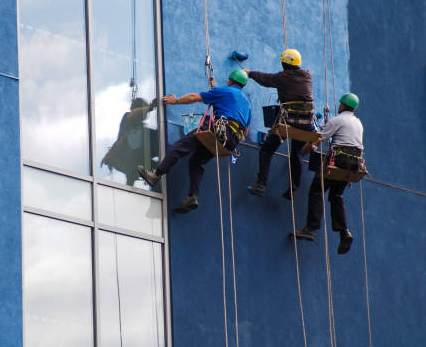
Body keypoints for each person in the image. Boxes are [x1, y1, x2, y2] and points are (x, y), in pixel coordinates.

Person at [137, 70, 252, 212]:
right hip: (230, 141)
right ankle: (192, 196)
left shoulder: (223, 92)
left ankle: (155, 175)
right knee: (196, 162)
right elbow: (246, 131)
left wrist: (176, 100)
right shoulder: (247, 104)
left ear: (230, 81)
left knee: (179, 146)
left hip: (220, 130)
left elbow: (194, 97)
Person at [293, 93, 364, 254]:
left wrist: (302, 153)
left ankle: (311, 228)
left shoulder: (338, 120)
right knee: (336, 195)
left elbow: (319, 138)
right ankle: (344, 232)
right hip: (353, 163)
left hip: (340, 158)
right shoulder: (358, 123)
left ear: (342, 105)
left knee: (317, 189)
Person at [244, 48, 315, 199]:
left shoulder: (283, 77)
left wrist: (249, 73)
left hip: (289, 122)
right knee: (296, 153)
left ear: (285, 64)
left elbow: (265, 79)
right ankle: (293, 189)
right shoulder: (307, 75)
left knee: (267, 149)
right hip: (307, 124)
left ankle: (261, 184)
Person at [100, 98, 158, 186]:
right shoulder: (128, 117)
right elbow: (133, 114)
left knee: (157, 170)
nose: (147, 115)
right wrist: (150, 107)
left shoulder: (138, 126)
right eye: (145, 112)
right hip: (129, 156)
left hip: (134, 159)